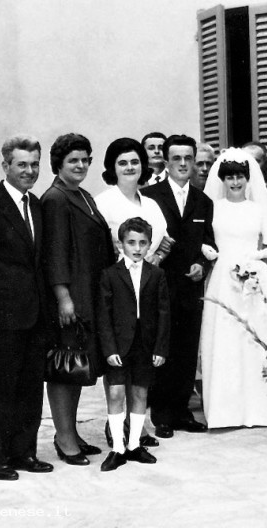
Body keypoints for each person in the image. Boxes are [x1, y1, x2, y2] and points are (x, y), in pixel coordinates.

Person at [0, 135, 53, 482]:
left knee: (31, 387)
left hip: (35, 312)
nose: (29, 171)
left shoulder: (37, 205)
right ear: (5, 166)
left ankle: (24, 452)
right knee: (2, 388)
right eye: (22, 164)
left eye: (34, 164)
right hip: (2, 314)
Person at [200, 148, 267, 428]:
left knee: (253, 340)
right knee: (225, 340)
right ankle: (225, 411)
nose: (235, 182)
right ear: (222, 180)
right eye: (230, 177)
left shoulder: (257, 209)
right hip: (222, 279)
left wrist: (257, 259)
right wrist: (207, 250)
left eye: (240, 177)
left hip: (252, 279)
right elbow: (203, 238)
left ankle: (260, 408)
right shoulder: (212, 208)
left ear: (248, 179)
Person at [41, 133, 115, 465]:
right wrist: (63, 297)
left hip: (88, 291)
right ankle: (64, 437)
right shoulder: (55, 198)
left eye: (85, 159)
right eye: (73, 160)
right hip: (70, 296)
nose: (81, 165)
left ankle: (70, 432)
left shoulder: (83, 194)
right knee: (64, 366)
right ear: (59, 164)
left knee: (77, 365)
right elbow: (54, 252)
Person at [95, 137, 171, 449]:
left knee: (140, 366)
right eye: (123, 162)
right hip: (119, 288)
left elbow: (165, 239)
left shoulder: (150, 203)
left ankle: (136, 429)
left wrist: (155, 260)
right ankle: (116, 427)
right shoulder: (104, 202)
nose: (130, 167)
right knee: (118, 366)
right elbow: (99, 245)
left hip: (147, 287)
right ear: (112, 167)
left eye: (135, 162)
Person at [141, 134, 216, 438]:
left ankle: (182, 411)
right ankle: (162, 414)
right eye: (177, 158)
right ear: (166, 161)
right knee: (163, 349)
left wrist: (202, 264)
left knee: (187, 351)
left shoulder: (203, 201)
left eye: (188, 158)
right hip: (159, 287)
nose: (183, 164)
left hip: (190, 288)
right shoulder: (150, 196)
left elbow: (208, 241)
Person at [97, 217, 170, 471]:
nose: (137, 248)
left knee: (140, 393)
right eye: (131, 242)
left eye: (142, 243)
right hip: (119, 344)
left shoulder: (157, 274)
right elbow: (104, 315)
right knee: (116, 393)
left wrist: (160, 348)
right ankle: (117, 447)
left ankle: (134, 445)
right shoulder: (110, 274)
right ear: (121, 244)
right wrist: (109, 349)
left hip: (145, 344)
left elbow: (164, 313)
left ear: (149, 244)